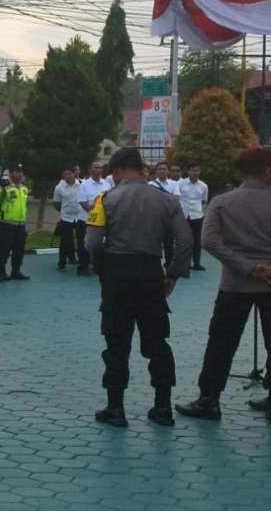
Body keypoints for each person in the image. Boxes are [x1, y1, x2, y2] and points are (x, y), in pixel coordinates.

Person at [85, 147, 192, 428]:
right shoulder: (167, 201)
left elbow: (92, 243)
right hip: (150, 273)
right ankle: (162, 407)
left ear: (118, 171)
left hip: (118, 275)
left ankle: (116, 408)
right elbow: (186, 242)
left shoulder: (106, 199)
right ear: (141, 168)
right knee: (157, 341)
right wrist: (172, 275)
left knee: (117, 342)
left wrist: (103, 265)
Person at [175, 147, 271, 423]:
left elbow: (209, 242)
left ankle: (209, 400)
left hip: (235, 284)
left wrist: (247, 267)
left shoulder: (222, 202)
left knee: (221, 342)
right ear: (267, 171)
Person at [53, 166, 90, 275]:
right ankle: (62, 263)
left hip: (80, 217)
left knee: (82, 241)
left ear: (75, 174)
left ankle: (83, 264)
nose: (67, 176)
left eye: (69, 173)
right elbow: (56, 203)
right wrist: (64, 211)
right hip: (66, 218)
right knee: (65, 241)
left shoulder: (83, 185)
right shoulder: (59, 187)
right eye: (65, 174)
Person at [0, 163, 30, 281]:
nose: (20, 174)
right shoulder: (4, 188)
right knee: (4, 249)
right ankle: (1, 272)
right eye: (17, 171)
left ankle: (16, 271)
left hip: (20, 225)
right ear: (10, 174)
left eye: (21, 171)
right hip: (7, 224)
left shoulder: (24, 189)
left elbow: (25, 205)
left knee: (19, 250)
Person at [178, 164, 209, 272]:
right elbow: (177, 198)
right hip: (183, 216)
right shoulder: (180, 183)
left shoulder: (204, 186)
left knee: (197, 242)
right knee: (183, 241)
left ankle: (196, 264)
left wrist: (202, 213)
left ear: (200, 172)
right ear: (188, 171)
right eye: (193, 170)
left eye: (197, 170)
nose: (195, 172)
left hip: (197, 216)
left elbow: (204, 201)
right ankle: (183, 264)